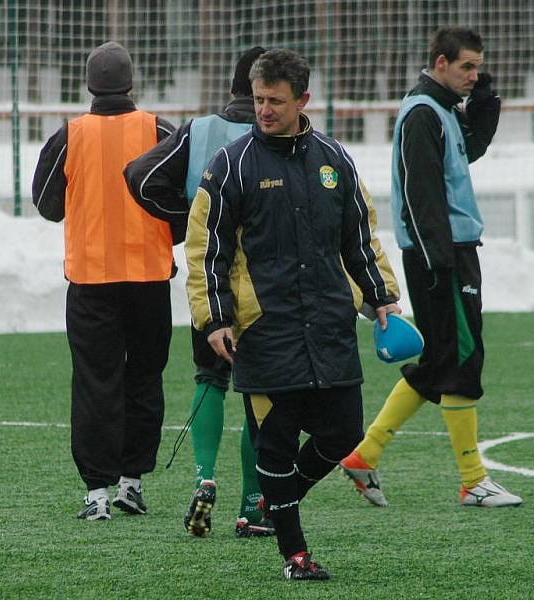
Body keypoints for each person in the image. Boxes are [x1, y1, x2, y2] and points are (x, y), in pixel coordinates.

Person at [184, 48, 401, 581]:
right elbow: (204, 249)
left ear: (303, 99)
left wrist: (382, 296)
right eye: (258, 100)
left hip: (329, 323)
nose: (263, 110)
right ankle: (294, 553)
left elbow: (359, 238)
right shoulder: (230, 164)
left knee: (344, 432)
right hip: (266, 330)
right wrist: (214, 319)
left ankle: (277, 501)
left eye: (275, 101)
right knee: (275, 444)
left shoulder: (335, 160)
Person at [339, 27, 523, 508]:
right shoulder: (422, 113)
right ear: (439, 63)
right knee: (462, 360)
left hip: (446, 251)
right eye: (466, 66)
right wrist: (438, 260)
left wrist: (486, 103)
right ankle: (472, 480)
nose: (473, 75)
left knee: (441, 362)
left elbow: (470, 149)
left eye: (477, 67)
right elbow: (420, 194)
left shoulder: (441, 110)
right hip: (441, 254)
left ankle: (365, 454)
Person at [123, 46, 276, 539]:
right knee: (260, 391)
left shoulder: (199, 129)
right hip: (261, 282)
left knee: (209, 378)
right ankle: (254, 505)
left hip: (206, 274)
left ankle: (203, 477)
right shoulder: (274, 133)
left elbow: (139, 176)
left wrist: (183, 218)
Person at [32, 41, 177, 521]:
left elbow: (47, 205)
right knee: (144, 378)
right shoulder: (158, 129)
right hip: (149, 278)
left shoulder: (70, 134)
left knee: (96, 383)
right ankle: (132, 483)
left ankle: (96, 493)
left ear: (90, 86)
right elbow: (187, 196)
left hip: (91, 281)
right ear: (131, 84)